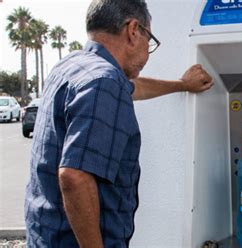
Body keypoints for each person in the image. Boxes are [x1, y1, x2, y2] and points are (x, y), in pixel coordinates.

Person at [24, 0, 213, 247]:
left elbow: (130, 88)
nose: (148, 51)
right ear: (134, 30)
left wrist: (181, 84)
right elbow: (74, 177)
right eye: (150, 41)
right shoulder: (104, 81)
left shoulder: (71, 67)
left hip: (45, 235)